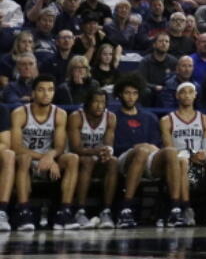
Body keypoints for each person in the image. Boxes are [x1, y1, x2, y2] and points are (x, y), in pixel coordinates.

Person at [108, 75, 180, 228]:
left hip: (148, 158)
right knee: (140, 150)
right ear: (120, 94)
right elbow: (112, 146)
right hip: (122, 159)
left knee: (171, 152)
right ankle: (125, 209)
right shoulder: (112, 116)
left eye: (134, 93)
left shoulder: (150, 117)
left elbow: (157, 144)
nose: (131, 96)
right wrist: (139, 147)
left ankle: (174, 208)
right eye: (127, 93)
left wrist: (149, 148)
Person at [11, 75, 79, 230]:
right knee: (25, 158)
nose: (46, 94)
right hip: (26, 161)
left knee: (72, 158)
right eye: (41, 90)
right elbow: (16, 147)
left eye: (50, 90)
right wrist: (46, 157)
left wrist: (50, 157)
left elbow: (60, 146)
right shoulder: (20, 113)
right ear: (33, 93)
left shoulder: (60, 113)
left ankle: (65, 211)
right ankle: (24, 211)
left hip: (49, 161)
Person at [163, 82, 206, 227]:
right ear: (177, 96)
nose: (187, 95)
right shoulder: (167, 120)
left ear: (195, 95)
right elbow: (169, 148)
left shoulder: (205, 119)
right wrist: (190, 157)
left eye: (190, 92)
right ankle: (185, 208)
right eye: (183, 92)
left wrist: (203, 155)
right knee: (182, 161)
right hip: (177, 161)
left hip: (200, 164)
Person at [68, 88, 116, 228]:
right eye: (95, 102)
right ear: (88, 103)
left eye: (102, 102)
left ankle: (106, 211)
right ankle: (80, 211)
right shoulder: (76, 117)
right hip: (77, 159)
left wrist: (107, 151)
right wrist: (96, 151)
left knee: (113, 162)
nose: (99, 105)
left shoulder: (110, 117)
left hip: (97, 158)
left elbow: (108, 144)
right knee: (87, 161)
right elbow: (75, 148)